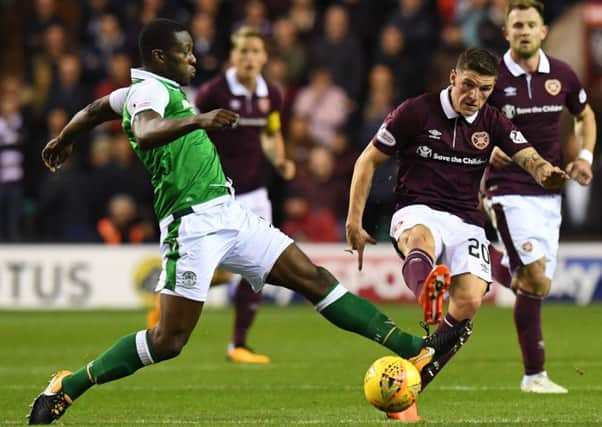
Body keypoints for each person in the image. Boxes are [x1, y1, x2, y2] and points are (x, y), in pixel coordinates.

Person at [27, 18, 472, 425]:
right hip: (191, 224)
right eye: (185, 52)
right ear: (160, 57)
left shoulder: (141, 90)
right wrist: (199, 119)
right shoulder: (153, 94)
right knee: (168, 341)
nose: (194, 58)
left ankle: (413, 348)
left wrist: (64, 138)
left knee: (312, 278)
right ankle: (70, 384)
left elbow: (99, 107)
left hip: (229, 212)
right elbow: (143, 130)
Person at [345, 47, 568, 422]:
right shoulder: (416, 111)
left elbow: (527, 153)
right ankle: (426, 293)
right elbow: (367, 159)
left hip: (466, 218)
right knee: (421, 239)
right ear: (453, 78)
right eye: (468, 86)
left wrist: (544, 170)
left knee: (468, 304)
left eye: (484, 89)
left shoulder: (492, 121)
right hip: (417, 206)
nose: (474, 96)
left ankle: (410, 387)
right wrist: (354, 221)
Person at [483, 0, 597, 394]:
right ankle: (534, 376)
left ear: (543, 31)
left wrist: (583, 156)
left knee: (538, 286)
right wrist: (485, 148)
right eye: (517, 26)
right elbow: (465, 122)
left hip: (548, 193)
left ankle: (476, 260)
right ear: (507, 33)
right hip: (506, 189)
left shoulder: (562, 74)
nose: (525, 31)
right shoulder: (492, 77)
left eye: (531, 24)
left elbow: (584, 115)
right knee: (531, 281)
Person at [191, 25, 294, 364]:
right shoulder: (211, 93)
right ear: (232, 56)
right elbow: (190, 134)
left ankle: (238, 344)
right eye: (242, 51)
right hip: (215, 194)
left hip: (254, 195)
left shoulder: (271, 95)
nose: (249, 58)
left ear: (265, 57)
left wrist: (279, 159)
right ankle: (171, 302)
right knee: (210, 267)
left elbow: (270, 131)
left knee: (259, 268)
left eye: (255, 51)